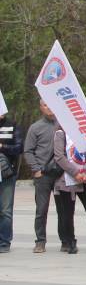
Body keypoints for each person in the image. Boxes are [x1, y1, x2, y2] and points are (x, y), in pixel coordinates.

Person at [52, 126, 86, 253]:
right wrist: (75, 173)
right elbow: (59, 156)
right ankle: (70, 242)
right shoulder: (61, 133)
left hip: (85, 179)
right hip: (67, 179)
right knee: (68, 213)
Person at [23, 101, 58, 253]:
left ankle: (67, 241)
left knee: (64, 210)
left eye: (51, 104)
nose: (49, 107)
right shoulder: (35, 127)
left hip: (61, 174)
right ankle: (40, 241)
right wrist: (36, 169)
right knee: (41, 209)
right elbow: (28, 151)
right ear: (41, 108)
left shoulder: (63, 125)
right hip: (43, 174)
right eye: (45, 105)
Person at [0, 107, 25, 253]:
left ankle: (4, 242)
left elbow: (19, 147)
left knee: (5, 210)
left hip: (7, 174)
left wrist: (2, 146)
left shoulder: (13, 125)